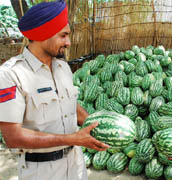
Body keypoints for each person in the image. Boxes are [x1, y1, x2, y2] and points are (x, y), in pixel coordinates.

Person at [0, 1, 109, 180]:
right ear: (44, 34)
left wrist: (96, 124)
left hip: (76, 165)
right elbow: (13, 137)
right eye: (63, 35)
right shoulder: (11, 75)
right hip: (42, 171)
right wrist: (72, 139)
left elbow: (68, 104)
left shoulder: (62, 67)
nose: (68, 43)